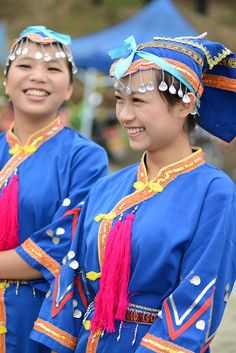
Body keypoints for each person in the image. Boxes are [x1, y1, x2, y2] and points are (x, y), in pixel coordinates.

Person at [31, 33, 236, 353]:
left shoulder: (214, 192)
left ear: (184, 104)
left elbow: (198, 298)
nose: (124, 115)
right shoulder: (106, 187)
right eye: (119, 99)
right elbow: (72, 283)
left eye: (138, 101)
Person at [0, 26, 108, 353]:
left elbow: (65, 243)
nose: (38, 76)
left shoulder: (85, 157)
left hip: (37, 321)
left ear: (69, 88)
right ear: (6, 81)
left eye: (52, 68)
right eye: (24, 65)